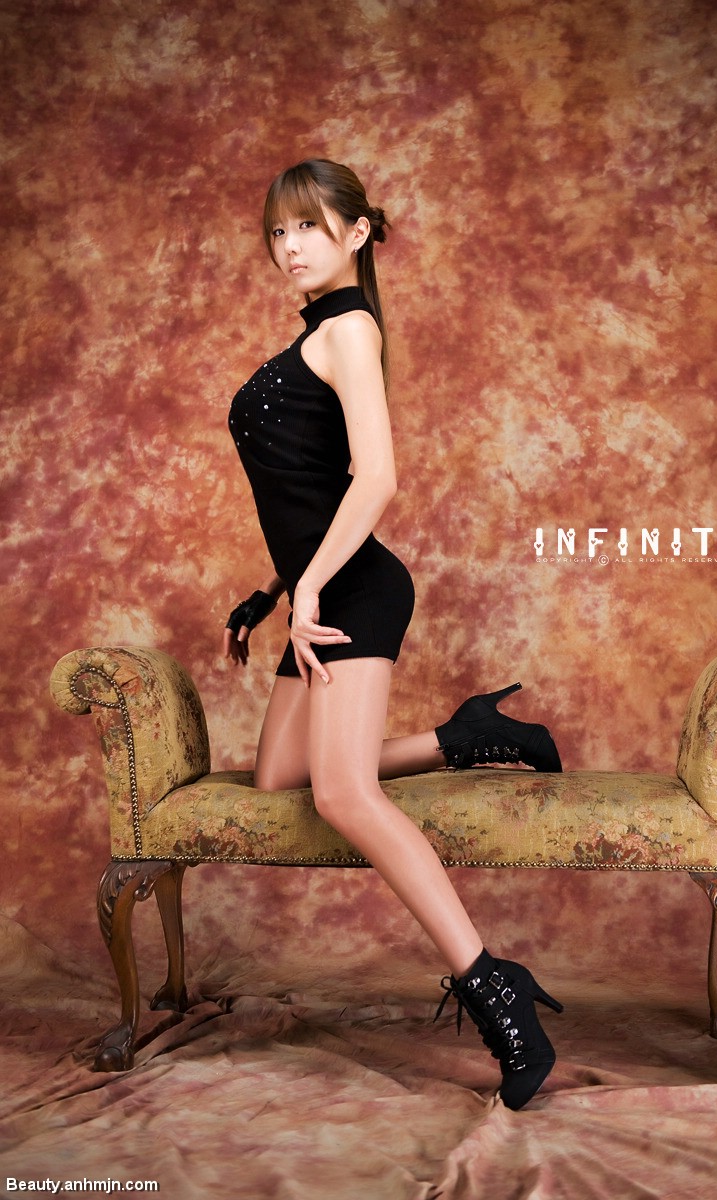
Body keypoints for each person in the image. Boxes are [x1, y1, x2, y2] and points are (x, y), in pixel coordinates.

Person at [223, 158, 563, 1109]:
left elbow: (377, 479)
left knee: (343, 793)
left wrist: (310, 587)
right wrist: (274, 589)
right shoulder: (317, 335)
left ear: (357, 233)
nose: (289, 247)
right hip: (317, 591)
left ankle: (495, 986)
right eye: (277, 232)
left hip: (354, 592)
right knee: (280, 780)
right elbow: (313, 487)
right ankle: (466, 737)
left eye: (307, 227)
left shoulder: (350, 329)